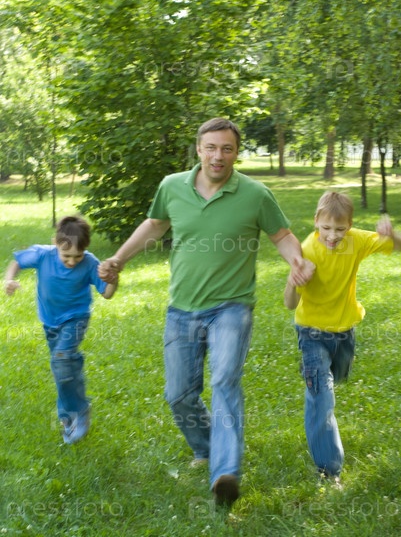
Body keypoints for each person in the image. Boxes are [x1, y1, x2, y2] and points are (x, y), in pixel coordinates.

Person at [99, 117, 315, 507]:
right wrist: (119, 258)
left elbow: (281, 234)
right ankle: (206, 446)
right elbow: (154, 225)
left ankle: (225, 471)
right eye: (211, 148)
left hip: (232, 307)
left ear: (236, 153)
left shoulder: (255, 194)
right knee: (179, 394)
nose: (218, 156)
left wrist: (296, 261)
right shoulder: (172, 187)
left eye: (227, 149)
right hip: (181, 308)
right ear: (198, 149)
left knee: (225, 381)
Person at [284, 191, 401, 484]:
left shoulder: (355, 241)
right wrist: (293, 281)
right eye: (326, 228)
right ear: (316, 221)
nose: (333, 235)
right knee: (322, 398)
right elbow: (289, 303)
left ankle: (316, 381)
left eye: (340, 229)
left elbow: (396, 245)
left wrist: (393, 235)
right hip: (312, 333)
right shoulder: (307, 251)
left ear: (349, 225)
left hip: (344, 333)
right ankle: (329, 470)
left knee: (335, 378)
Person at [4, 215, 118, 444]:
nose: (72, 261)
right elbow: (17, 261)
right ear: (55, 243)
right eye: (66, 256)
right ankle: (68, 417)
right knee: (63, 369)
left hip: (76, 318)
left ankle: (79, 412)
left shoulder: (90, 262)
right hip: (50, 321)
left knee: (61, 359)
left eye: (78, 256)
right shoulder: (43, 255)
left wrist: (113, 279)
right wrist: (8, 280)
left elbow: (106, 293)